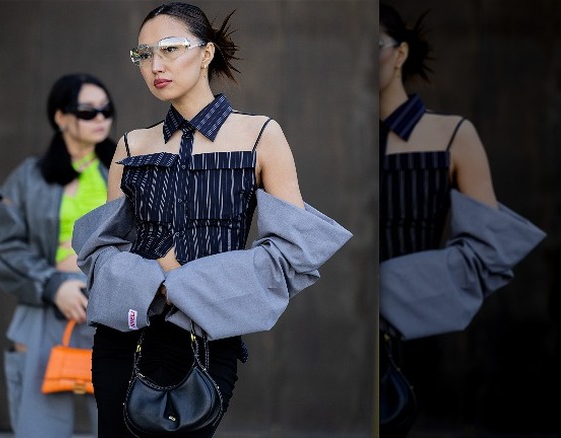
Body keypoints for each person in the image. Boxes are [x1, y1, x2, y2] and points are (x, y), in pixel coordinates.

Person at [70, 2, 352, 436]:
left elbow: (293, 251)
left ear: (206, 53)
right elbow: (103, 253)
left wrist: (181, 284)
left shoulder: (259, 134)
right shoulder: (131, 145)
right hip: (125, 337)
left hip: (207, 338)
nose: (155, 65)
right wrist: (152, 284)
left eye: (169, 48)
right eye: (143, 54)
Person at [378, 4, 545, 437]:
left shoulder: (453, 134)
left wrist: (391, 286)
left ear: (400, 53)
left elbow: (489, 251)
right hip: (338, 334)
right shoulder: (328, 136)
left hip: (415, 325)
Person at [0, 73, 116, 437]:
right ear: (60, 117)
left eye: (106, 110)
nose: (101, 118)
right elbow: (3, 242)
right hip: (45, 306)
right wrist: (52, 284)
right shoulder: (30, 176)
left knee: (119, 421)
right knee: (39, 425)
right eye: (87, 112)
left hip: (114, 312)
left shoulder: (125, 174)